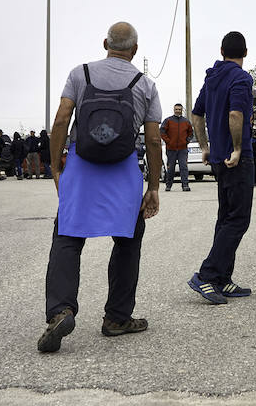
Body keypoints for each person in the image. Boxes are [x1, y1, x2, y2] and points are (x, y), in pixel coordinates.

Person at [37, 21, 162, 353]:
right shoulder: (145, 84)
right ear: (135, 50)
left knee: (67, 237)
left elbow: (61, 120)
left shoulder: (81, 74)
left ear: (105, 42)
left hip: (82, 165)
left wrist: (56, 168)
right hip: (123, 170)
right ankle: (117, 317)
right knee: (127, 241)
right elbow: (152, 139)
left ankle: (60, 311)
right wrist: (153, 187)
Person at [188, 31, 254, 305]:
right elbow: (236, 114)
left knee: (225, 217)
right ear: (245, 52)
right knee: (238, 219)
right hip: (235, 159)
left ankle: (222, 279)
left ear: (221, 50)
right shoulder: (241, 77)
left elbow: (196, 114)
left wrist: (205, 147)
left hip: (217, 158)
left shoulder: (212, 78)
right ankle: (207, 274)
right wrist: (237, 148)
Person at [160, 103, 194, 192]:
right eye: (176, 109)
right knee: (171, 168)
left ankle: (185, 185)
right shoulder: (168, 120)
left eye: (179, 109)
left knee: (184, 167)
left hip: (183, 149)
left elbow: (191, 133)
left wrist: (187, 141)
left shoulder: (186, 122)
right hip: (171, 149)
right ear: (174, 110)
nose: (178, 111)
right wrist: (168, 141)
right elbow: (162, 132)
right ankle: (168, 185)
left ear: (181, 110)